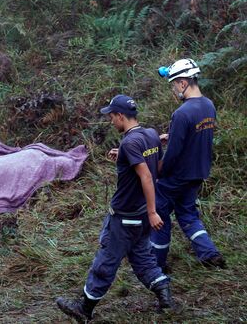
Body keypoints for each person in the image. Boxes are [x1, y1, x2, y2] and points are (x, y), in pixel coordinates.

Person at [56, 95, 173, 323]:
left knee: (106, 261)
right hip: (139, 218)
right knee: (142, 258)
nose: (111, 122)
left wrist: (153, 212)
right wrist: (124, 156)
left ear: (120, 116)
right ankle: (164, 292)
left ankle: (84, 308)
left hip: (125, 217)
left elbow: (147, 176)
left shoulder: (130, 142)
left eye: (112, 117)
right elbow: (157, 165)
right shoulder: (150, 135)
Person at [152, 59, 226, 270]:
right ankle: (209, 253)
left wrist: (161, 170)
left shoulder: (182, 113)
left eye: (174, 84)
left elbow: (173, 153)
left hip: (177, 176)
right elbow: (197, 135)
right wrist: (172, 134)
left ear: (183, 83)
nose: (174, 89)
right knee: (187, 214)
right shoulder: (208, 105)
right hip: (198, 172)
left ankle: (156, 264)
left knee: (159, 214)